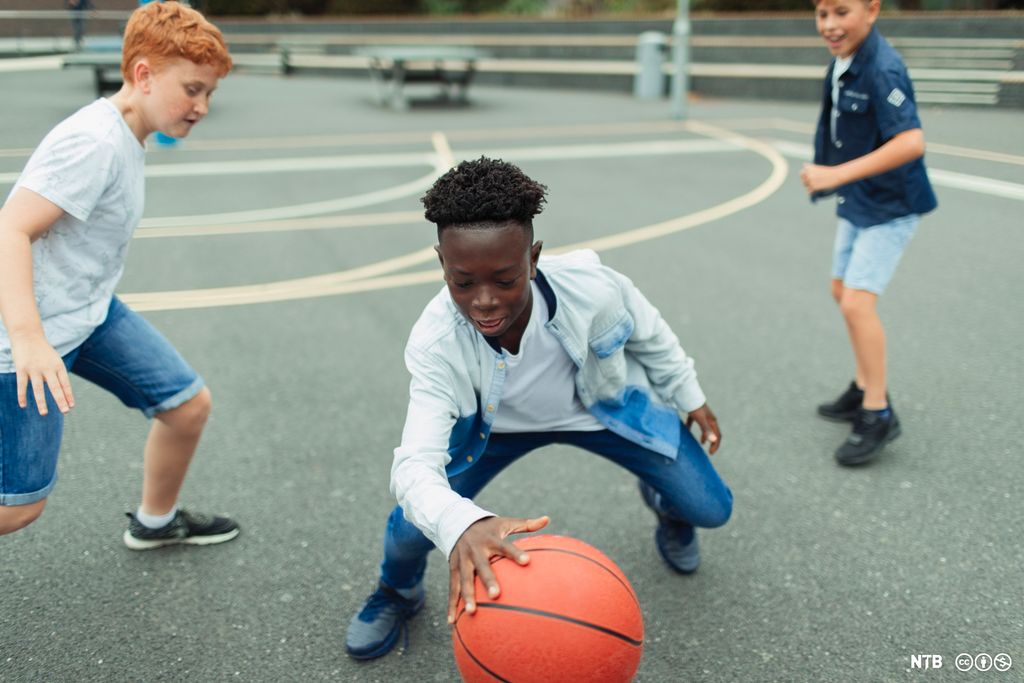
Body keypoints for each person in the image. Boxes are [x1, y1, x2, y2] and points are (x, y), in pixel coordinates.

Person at [345, 157, 733, 660]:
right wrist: (461, 524)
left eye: (505, 279)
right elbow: (414, 465)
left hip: (601, 411)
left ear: (534, 257)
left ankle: (668, 505)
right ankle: (396, 592)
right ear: (442, 262)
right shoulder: (436, 342)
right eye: (463, 282)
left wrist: (689, 395)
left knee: (711, 508)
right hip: (495, 431)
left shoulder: (593, 287)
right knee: (409, 527)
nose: (484, 301)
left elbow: (651, 334)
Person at [0, 1, 239, 548]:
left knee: (186, 406)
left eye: (209, 93)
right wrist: (30, 340)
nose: (201, 106)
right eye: (193, 89)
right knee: (17, 509)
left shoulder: (131, 133)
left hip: (88, 312)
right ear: (143, 75)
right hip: (30, 340)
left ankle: (155, 523)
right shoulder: (94, 143)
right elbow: (8, 231)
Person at [800, 0, 937, 466]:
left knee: (859, 302)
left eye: (841, 12)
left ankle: (878, 413)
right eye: (821, 14)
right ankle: (863, 386)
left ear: (872, 10)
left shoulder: (883, 68)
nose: (830, 25)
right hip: (860, 199)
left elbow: (911, 140)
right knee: (841, 290)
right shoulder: (845, 60)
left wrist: (835, 175)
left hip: (890, 206)